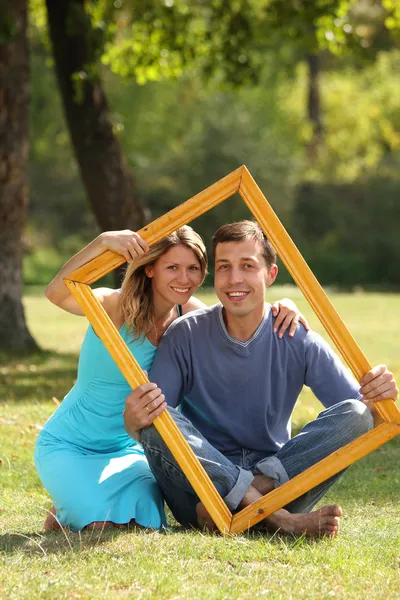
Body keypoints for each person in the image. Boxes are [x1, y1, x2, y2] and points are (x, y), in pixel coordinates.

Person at [124, 220, 398, 537]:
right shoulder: (184, 334)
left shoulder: (297, 336)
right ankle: (279, 520)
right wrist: (135, 420)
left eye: (247, 266)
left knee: (358, 413)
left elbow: (361, 418)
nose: (234, 278)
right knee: (159, 414)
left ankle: (243, 504)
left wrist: (382, 395)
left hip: (280, 482)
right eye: (224, 266)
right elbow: (157, 425)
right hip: (202, 485)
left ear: (270, 274)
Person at [35, 226, 307, 532]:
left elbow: (241, 317)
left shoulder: (189, 315)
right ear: (150, 269)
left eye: (193, 269)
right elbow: (56, 292)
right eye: (172, 267)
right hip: (70, 443)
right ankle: (69, 505)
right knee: (101, 525)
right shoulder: (114, 305)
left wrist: (284, 306)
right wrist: (103, 242)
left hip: (129, 450)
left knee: (142, 523)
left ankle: (70, 506)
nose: (184, 279)